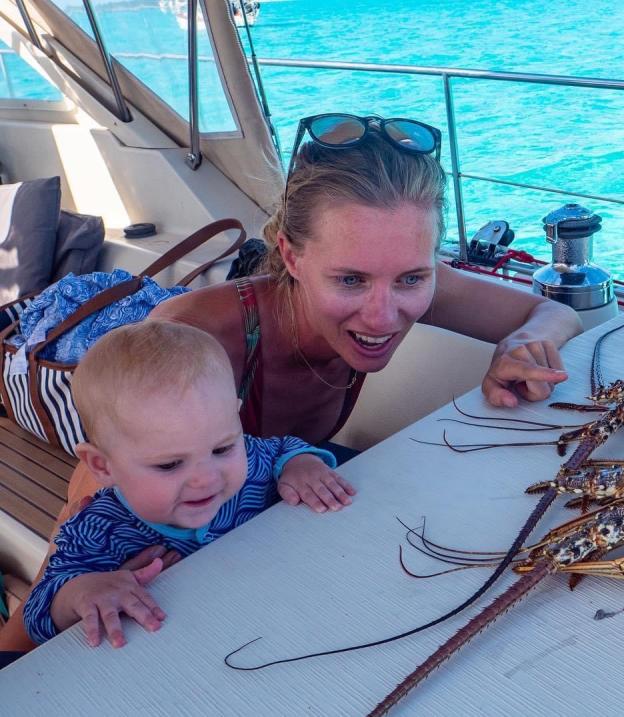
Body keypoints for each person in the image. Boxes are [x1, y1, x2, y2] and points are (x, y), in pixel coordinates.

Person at [0, 112, 582, 654]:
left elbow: (554, 314)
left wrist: (519, 346)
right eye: (350, 279)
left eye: (412, 278)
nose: (383, 317)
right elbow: (75, 539)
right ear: (290, 255)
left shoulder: (405, 281)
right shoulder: (194, 341)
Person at [23, 321, 349, 648]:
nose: (207, 478)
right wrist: (83, 592)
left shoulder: (251, 461)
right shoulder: (98, 530)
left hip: (281, 616)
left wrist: (301, 465)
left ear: (235, 418)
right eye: (170, 464)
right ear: (102, 466)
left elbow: (281, 449)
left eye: (222, 448)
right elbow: (37, 615)